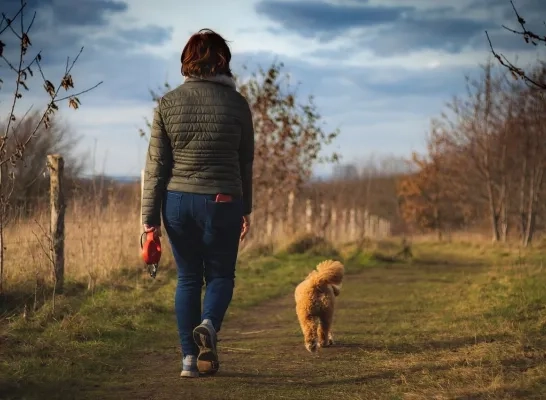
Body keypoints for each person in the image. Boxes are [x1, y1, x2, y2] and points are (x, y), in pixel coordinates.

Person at [141, 28, 254, 378]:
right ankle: (208, 324)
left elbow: (156, 165)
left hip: (176, 203)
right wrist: (245, 208)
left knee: (188, 278)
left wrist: (149, 220)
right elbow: (245, 161)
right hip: (222, 200)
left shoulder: (168, 103)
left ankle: (189, 360)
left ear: (187, 62)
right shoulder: (237, 104)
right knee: (220, 275)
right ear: (222, 62)